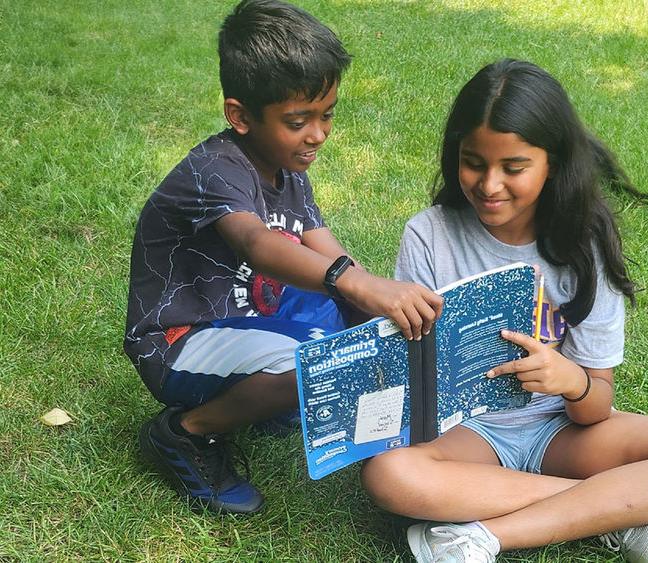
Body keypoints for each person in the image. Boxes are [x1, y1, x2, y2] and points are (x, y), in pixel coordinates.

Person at [360, 59, 648, 562]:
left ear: (553, 163)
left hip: (562, 429)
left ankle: (484, 536)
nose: (489, 184)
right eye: (473, 161)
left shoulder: (584, 246)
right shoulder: (429, 235)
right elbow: (415, 392)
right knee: (388, 475)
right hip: (465, 435)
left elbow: (596, 406)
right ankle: (619, 513)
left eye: (513, 168)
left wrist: (570, 379)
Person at [124, 0, 442, 516]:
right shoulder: (214, 170)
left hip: (249, 319)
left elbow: (321, 242)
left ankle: (269, 402)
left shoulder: (287, 166)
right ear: (240, 116)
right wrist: (350, 282)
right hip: (183, 341)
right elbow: (260, 246)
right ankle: (185, 432)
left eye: (327, 115)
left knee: (354, 321)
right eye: (299, 120)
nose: (317, 134)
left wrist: (369, 294)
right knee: (319, 359)